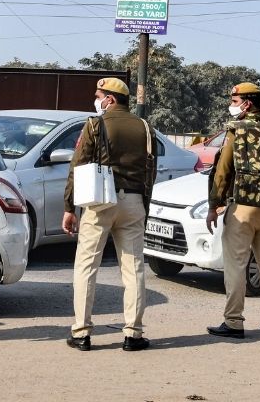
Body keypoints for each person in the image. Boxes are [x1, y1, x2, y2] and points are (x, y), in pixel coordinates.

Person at [62, 77, 155, 352]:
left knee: (87, 267)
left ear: (110, 99)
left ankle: (81, 332)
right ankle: (133, 334)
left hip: (100, 202)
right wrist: (144, 205)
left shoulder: (95, 124)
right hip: (134, 200)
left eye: (98, 95)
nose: (96, 100)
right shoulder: (145, 127)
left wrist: (69, 207)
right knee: (134, 267)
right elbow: (151, 169)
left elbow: (77, 166)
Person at [206, 82, 260, 339]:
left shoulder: (237, 130)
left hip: (243, 207)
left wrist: (213, 205)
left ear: (247, 103)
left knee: (236, 266)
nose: (231, 104)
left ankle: (233, 322)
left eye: (234, 100)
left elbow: (223, 170)